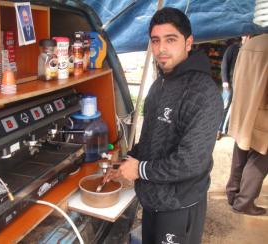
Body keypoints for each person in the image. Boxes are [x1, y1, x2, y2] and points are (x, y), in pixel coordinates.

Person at [106, 7, 223, 244]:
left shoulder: (203, 93)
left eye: (171, 40)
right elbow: (150, 140)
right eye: (155, 40)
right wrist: (125, 161)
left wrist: (139, 170)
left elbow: (190, 162)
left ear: (188, 42)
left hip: (179, 205)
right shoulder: (159, 85)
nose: (161, 49)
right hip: (152, 199)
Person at [226, 34, 268, 216]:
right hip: (262, 111)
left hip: (243, 107)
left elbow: (236, 75)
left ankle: (233, 193)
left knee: (241, 152)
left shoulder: (251, 43)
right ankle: (244, 202)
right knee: (260, 158)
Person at [216, 39, 240, 140]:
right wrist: (225, 80)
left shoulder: (247, 49)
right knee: (224, 106)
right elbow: (224, 64)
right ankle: (217, 130)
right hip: (230, 83)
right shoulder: (233, 48)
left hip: (240, 84)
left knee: (234, 108)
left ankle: (225, 129)